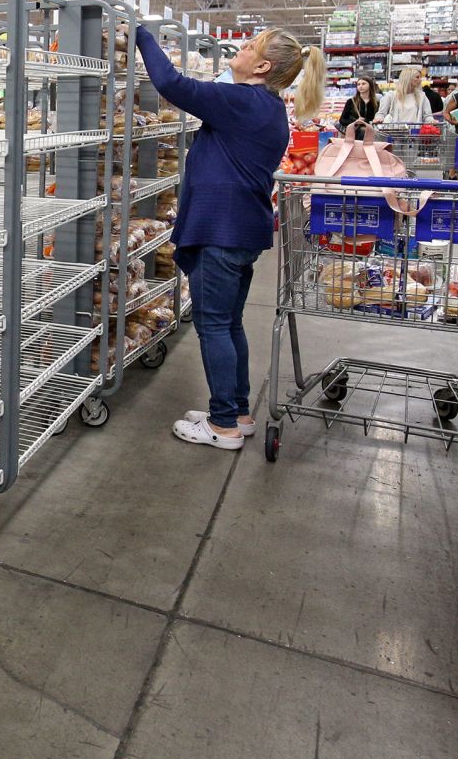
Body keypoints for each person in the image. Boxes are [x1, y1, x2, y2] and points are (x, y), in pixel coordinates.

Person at [130, 25, 325, 449]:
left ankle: (222, 426)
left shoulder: (241, 101)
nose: (240, 48)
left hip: (221, 230)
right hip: (243, 230)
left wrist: (140, 34)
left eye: (249, 46)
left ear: (262, 66)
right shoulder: (266, 106)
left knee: (213, 325)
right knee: (228, 322)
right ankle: (236, 410)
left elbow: (169, 83)